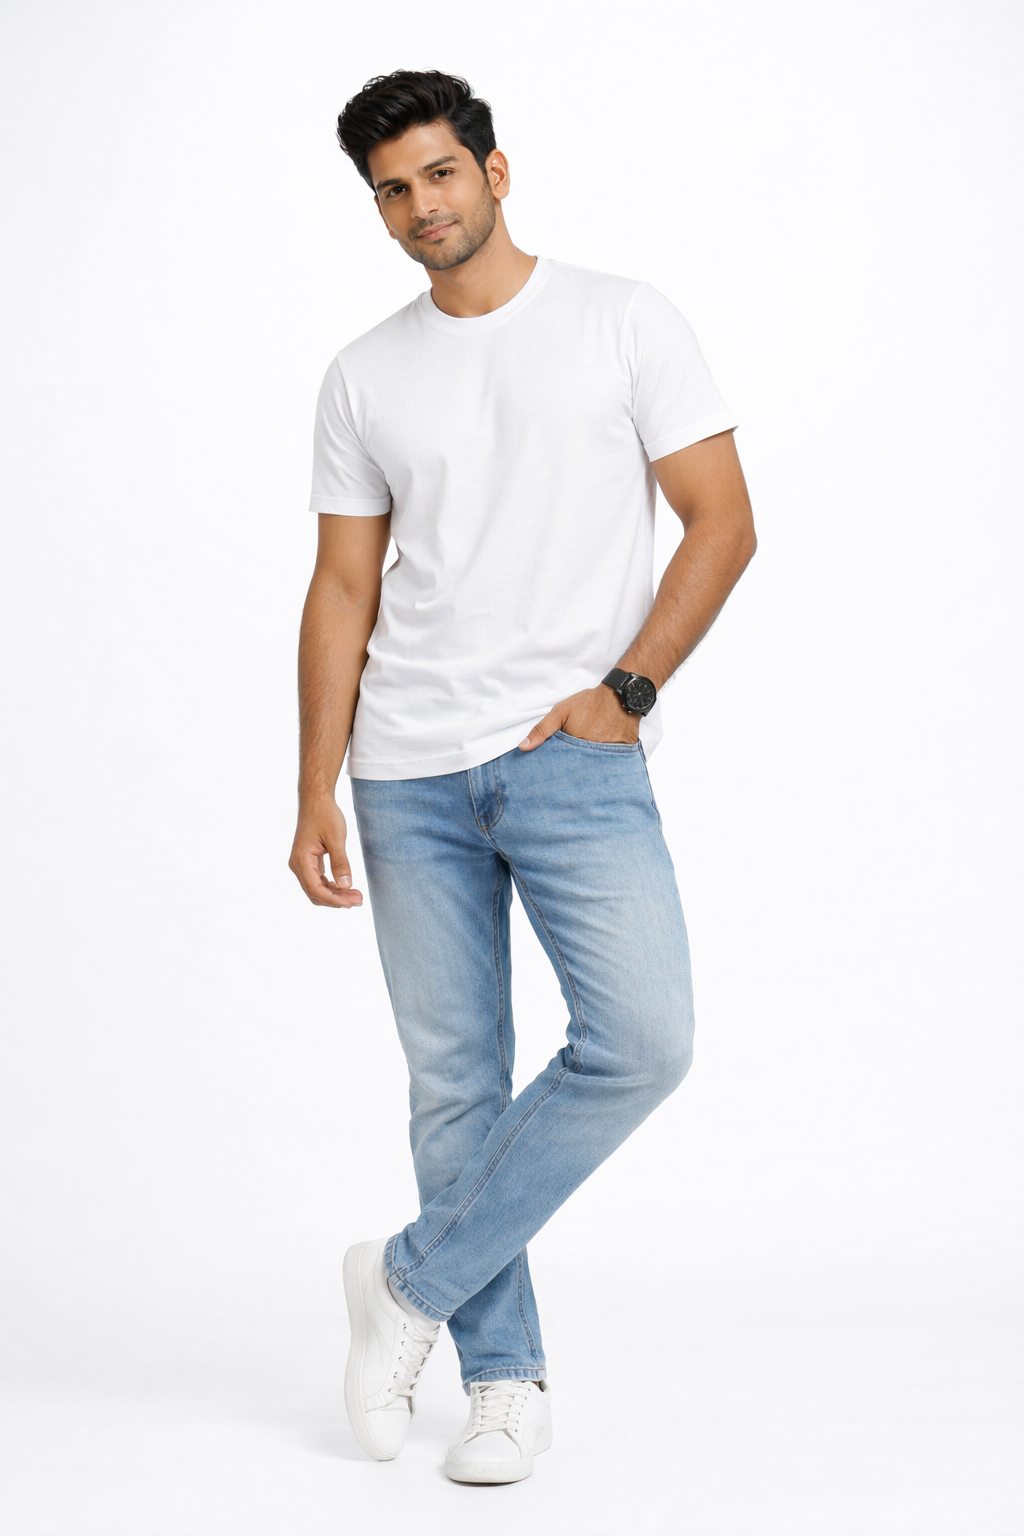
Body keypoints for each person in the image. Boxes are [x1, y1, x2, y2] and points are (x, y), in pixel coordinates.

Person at [289, 69, 756, 1485]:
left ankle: (405, 1282)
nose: (420, 206)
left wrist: (629, 692)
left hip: (571, 752)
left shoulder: (623, 319)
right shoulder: (364, 374)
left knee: (644, 1040)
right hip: (407, 770)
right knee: (456, 1085)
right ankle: (502, 1383)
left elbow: (722, 522)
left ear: (496, 171)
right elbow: (342, 587)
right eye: (392, 189)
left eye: (440, 173)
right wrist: (314, 787)